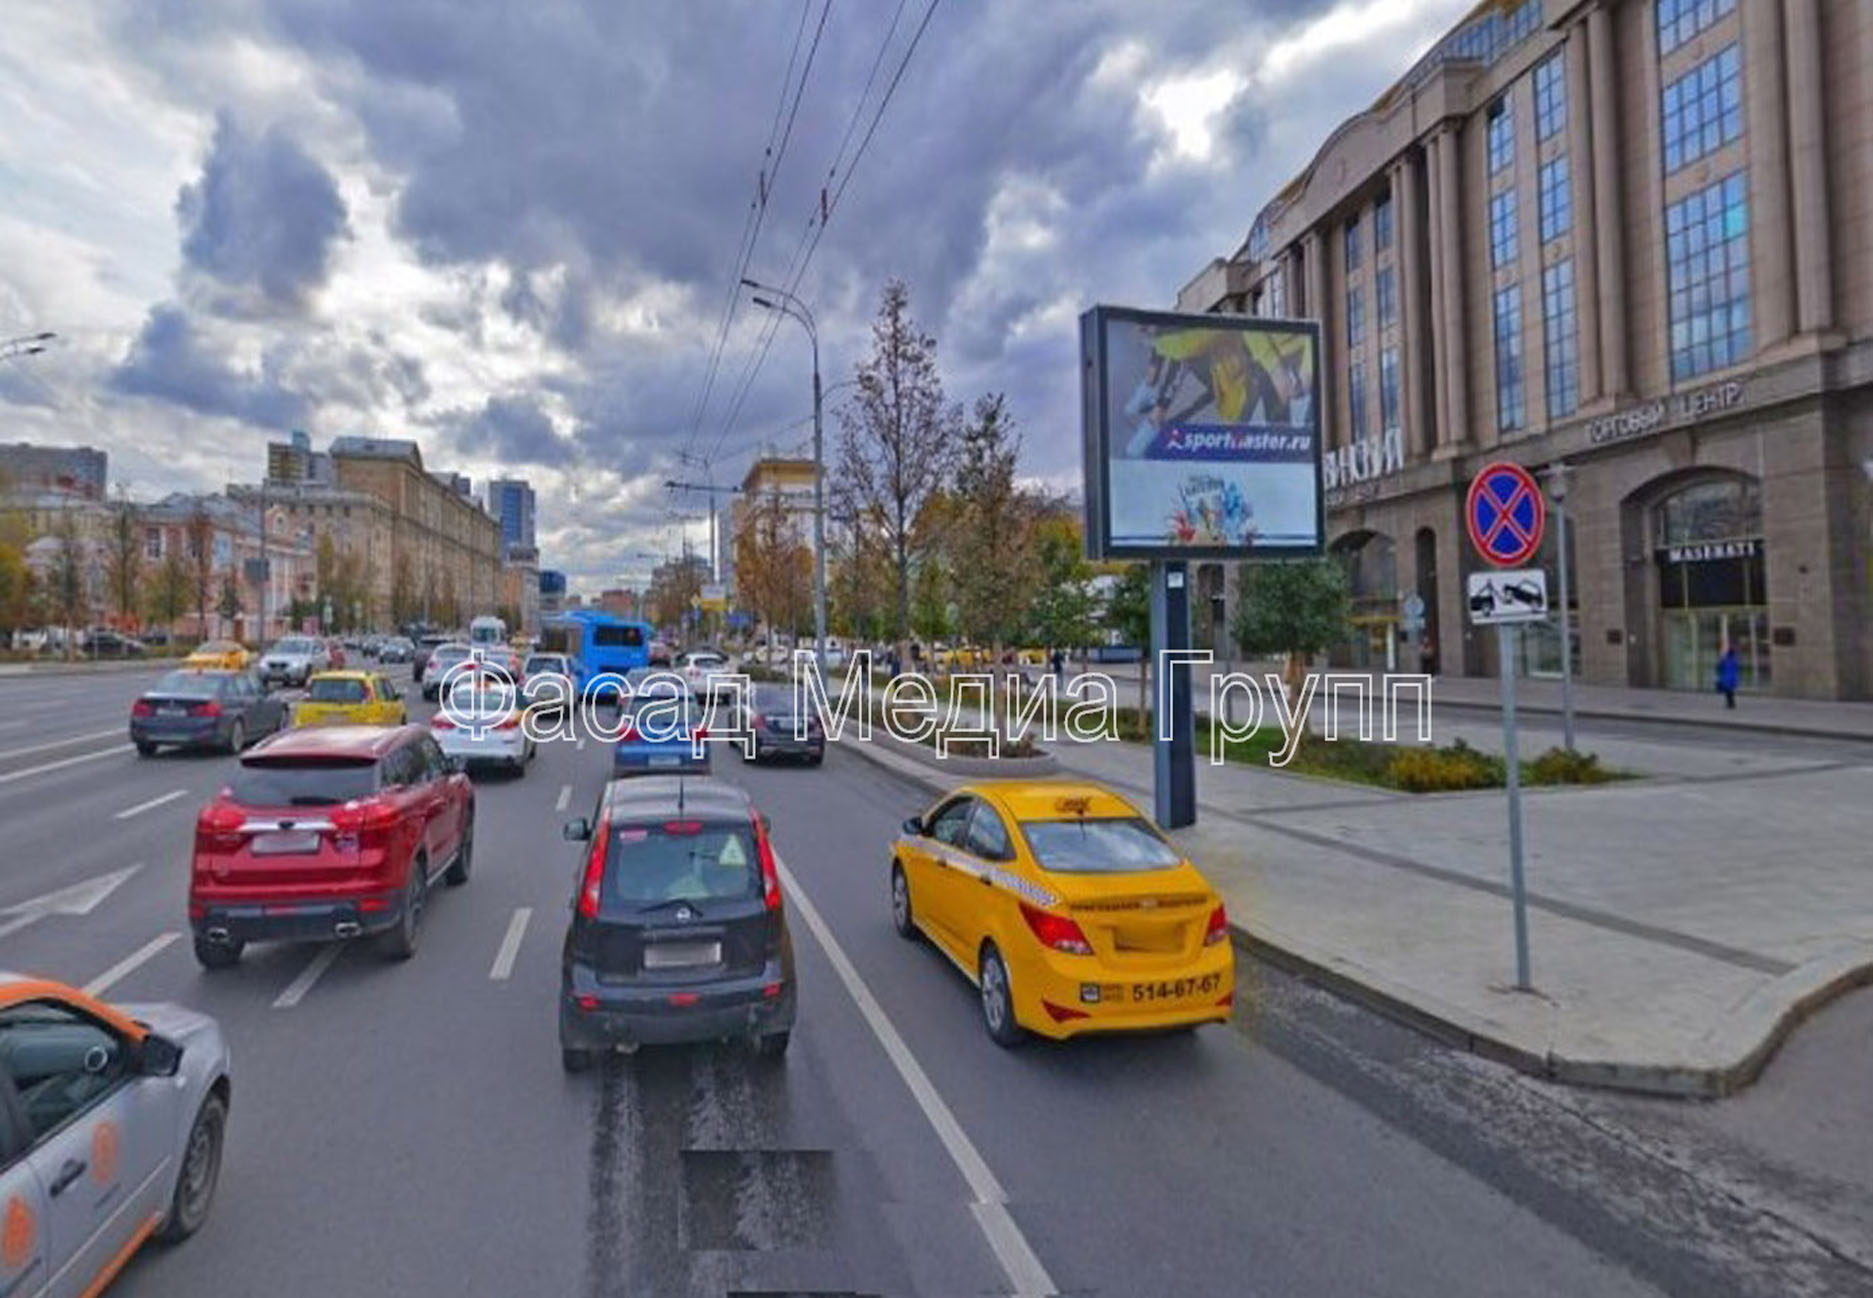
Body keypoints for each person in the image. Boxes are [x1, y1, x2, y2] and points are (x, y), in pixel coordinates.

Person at [1716, 643, 1740, 709]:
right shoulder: (1734, 660)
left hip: (1726, 678)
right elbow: (1737, 669)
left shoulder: (1725, 659)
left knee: (1728, 692)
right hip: (1733, 678)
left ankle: (1730, 704)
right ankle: (1732, 703)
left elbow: (1720, 666)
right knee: (1731, 691)